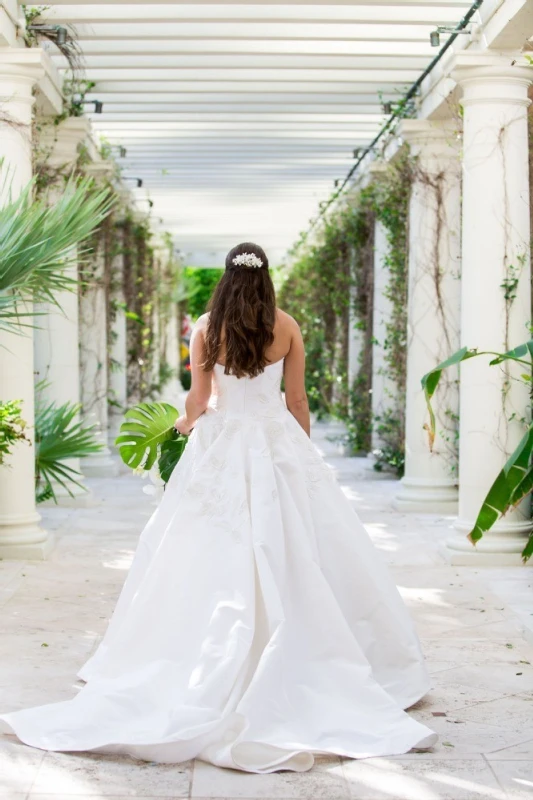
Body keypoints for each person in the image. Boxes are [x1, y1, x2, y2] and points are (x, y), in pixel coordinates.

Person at [0, 242, 437, 773]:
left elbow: (200, 399)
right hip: (275, 442)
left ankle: (190, 656)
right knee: (301, 546)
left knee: (199, 551)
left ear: (227, 279)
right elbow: (297, 401)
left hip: (223, 446)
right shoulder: (287, 325)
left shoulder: (207, 326)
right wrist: (298, 451)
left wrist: (185, 425)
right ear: (266, 279)